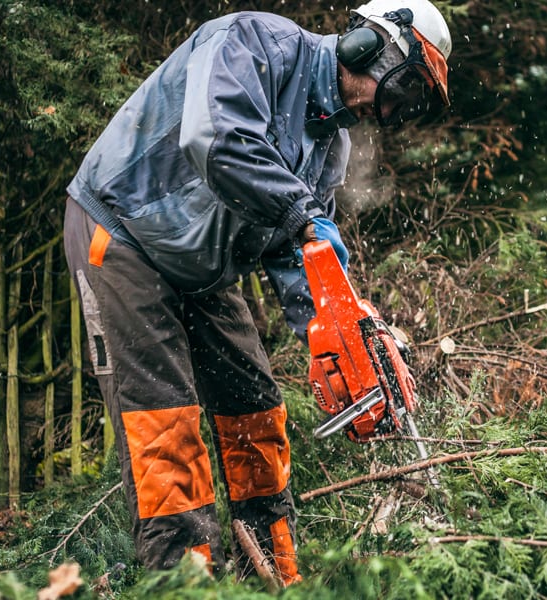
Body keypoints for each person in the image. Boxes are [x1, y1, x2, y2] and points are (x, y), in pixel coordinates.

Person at [62, 0, 451, 584]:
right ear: (365, 46)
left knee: (257, 411)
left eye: (407, 101)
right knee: (166, 424)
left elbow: (296, 253)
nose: (388, 106)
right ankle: (185, 586)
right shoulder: (254, 44)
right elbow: (215, 139)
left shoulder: (330, 144)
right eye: (397, 85)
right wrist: (301, 213)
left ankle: (270, 573)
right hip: (123, 237)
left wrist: (344, 337)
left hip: (204, 262)